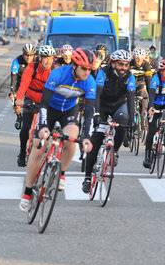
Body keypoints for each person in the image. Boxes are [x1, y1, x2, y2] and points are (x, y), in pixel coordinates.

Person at [19, 48, 97, 211]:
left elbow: (89, 112)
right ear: (74, 65)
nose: (87, 72)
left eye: (90, 68)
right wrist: (43, 126)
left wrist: (88, 137)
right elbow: (44, 103)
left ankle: (61, 172)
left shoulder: (89, 82)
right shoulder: (58, 74)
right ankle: (27, 191)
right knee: (38, 147)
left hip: (69, 110)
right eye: (84, 68)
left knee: (71, 139)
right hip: (50, 109)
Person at [81, 49, 137, 193]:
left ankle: (115, 151)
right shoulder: (103, 72)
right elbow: (97, 94)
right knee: (97, 139)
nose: (124, 68)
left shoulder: (130, 76)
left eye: (126, 64)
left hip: (119, 105)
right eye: (120, 64)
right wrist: (97, 114)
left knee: (123, 120)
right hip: (103, 104)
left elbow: (131, 99)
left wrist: (133, 119)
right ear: (113, 64)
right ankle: (87, 178)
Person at [14, 44, 57, 167]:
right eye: (45, 58)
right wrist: (19, 98)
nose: (48, 61)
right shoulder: (31, 68)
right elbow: (24, 84)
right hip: (31, 98)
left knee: (47, 128)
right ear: (40, 58)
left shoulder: (55, 70)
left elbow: (59, 88)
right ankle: (22, 153)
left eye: (50, 58)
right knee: (25, 127)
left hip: (45, 100)